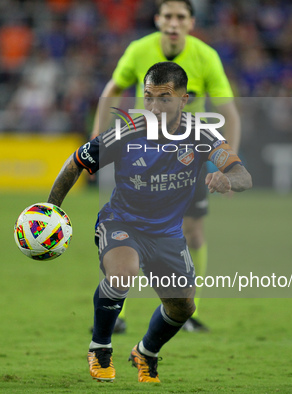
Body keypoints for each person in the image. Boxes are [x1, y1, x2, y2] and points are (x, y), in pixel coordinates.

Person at [49, 62, 251, 383]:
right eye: (148, 97)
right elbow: (75, 162)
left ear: (184, 100)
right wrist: (50, 210)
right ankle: (100, 347)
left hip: (167, 234)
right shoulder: (126, 132)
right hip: (122, 222)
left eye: (164, 99)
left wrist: (228, 180)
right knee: (122, 274)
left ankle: (145, 352)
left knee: (184, 308)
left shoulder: (201, 135)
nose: (154, 108)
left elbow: (242, 174)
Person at [91, 0, 241, 333]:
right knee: (129, 228)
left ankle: (188, 311)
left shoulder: (206, 57)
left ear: (191, 22)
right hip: (140, 154)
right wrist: (98, 137)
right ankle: (118, 314)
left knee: (193, 233)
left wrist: (227, 167)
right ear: (158, 20)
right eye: (168, 16)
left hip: (188, 158)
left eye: (181, 17)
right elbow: (112, 89)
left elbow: (229, 113)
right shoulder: (138, 50)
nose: (174, 23)